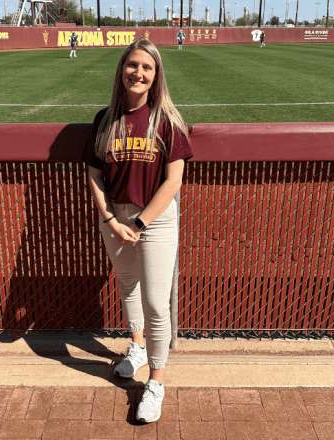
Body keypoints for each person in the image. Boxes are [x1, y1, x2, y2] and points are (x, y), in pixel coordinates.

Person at [82, 38, 192, 424]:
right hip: (114, 216)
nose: (138, 73)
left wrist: (140, 222)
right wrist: (111, 219)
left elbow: (173, 180)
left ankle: (156, 381)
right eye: (132, 65)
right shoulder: (104, 119)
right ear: (122, 70)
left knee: (157, 303)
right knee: (127, 284)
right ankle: (138, 346)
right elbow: (94, 175)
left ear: (156, 74)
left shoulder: (167, 119)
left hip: (154, 218)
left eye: (147, 67)